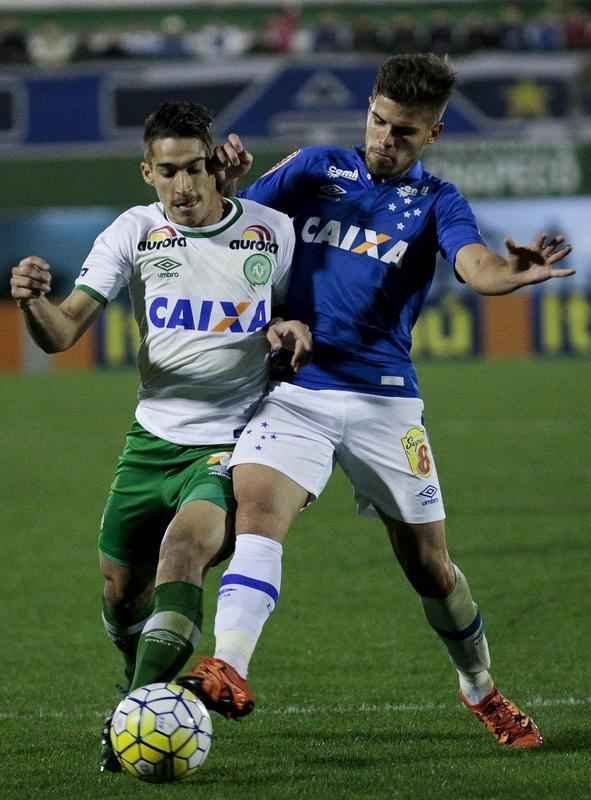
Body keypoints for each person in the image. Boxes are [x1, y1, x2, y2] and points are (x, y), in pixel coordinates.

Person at [176, 54, 574, 748]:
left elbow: (472, 263)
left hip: (385, 403)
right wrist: (226, 184)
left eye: (404, 132)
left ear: (434, 135)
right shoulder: (314, 169)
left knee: (428, 566)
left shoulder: (437, 203)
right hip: (296, 389)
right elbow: (230, 230)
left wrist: (508, 273)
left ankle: (480, 688)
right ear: (368, 108)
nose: (385, 139)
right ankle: (226, 666)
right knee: (257, 512)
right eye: (379, 121)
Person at [9, 100, 311, 771]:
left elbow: (305, 319)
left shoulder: (271, 233)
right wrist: (32, 300)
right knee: (121, 593)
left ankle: (136, 719)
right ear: (147, 171)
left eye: (195, 168)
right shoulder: (133, 233)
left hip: (237, 442)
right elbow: (61, 335)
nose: (183, 185)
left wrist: (293, 332)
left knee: (183, 553)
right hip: (150, 441)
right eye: (168, 171)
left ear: (214, 166)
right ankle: (136, 680)